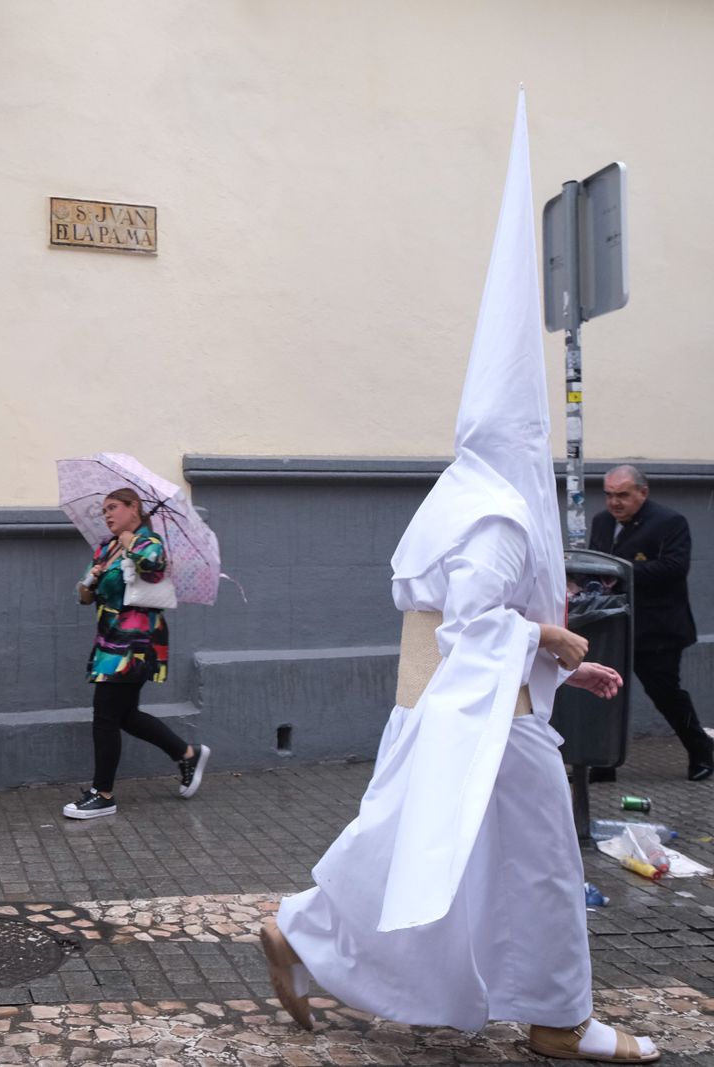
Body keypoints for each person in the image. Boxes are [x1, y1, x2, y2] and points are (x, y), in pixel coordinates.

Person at [259, 94, 659, 1064]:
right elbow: (476, 611)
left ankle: (306, 934)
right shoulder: (501, 508)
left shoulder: (458, 489)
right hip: (489, 717)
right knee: (535, 868)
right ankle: (559, 1021)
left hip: (444, 708)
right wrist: (559, 642)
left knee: (421, 852)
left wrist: (549, 652)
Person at [62, 487, 207, 820]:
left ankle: (103, 794)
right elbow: (83, 597)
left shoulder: (147, 543)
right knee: (124, 715)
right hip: (109, 642)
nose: (108, 515)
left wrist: (130, 541)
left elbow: (152, 567)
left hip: (135, 645)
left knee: (105, 715)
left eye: (113, 508)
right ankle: (187, 754)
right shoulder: (105, 547)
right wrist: (91, 579)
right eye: (104, 510)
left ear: (134, 508)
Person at [588, 464, 713, 781]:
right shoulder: (602, 522)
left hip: (657, 628)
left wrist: (618, 572)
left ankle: (702, 754)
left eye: (623, 495)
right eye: (609, 495)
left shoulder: (670, 522)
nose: (614, 502)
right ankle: (603, 764)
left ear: (642, 493)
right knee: (603, 692)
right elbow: (593, 562)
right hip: (611, 624)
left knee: (665, 694)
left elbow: (673, 568)